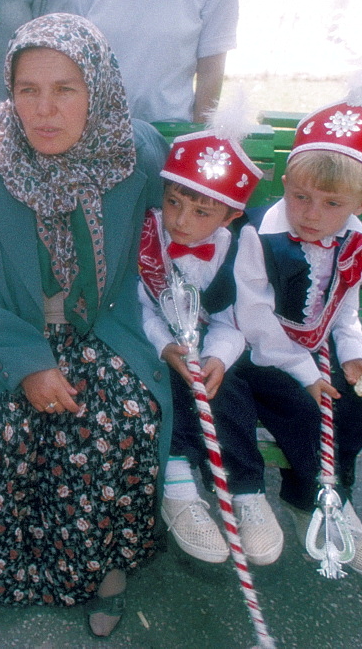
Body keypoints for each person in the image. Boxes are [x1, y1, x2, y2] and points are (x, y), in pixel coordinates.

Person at [0, 14, 172, 638]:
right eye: (27, 89)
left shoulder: (135, 153)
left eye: (65, 88)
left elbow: (183, 239)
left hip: (103, 327)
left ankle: (105, 568)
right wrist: (30, 359)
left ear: (99, 88)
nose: (44, 109)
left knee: (117, 422)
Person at [232, 96, 362, 577]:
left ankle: (324, 497)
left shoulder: (354, 237)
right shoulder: (259, 235)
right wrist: (308, 373)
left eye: (332, 204)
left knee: (356, 403)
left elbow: (345, 311)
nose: (311, 214)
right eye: (300, 197)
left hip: (313, 346)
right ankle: (291, 494)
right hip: (256, 348)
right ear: (284, 184)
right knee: (301, 403)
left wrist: (354, 356)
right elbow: (256, 319)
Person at [136, 126, 284, 567]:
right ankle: (178, 486)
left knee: (230, 392)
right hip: (155, 345)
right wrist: (164, 346)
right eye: (174, 202)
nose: (180, 221)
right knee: (164, 389)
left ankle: (246, 491)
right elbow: (138, 308)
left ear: (228, 216)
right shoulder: (146, 239)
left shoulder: (238, 250)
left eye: (201, 212)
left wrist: (218, 356)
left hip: (210, 342)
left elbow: (233, 320)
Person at [72, 0, 239, 123]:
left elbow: (211, 68)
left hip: (170, 132)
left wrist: (196, 141)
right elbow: (70, 53)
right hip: (95, 131)